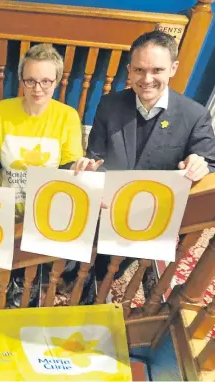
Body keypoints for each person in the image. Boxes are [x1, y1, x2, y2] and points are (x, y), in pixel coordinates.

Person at [73, 30, 215, 280]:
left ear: (173, 68)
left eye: (157, 70)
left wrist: (200, 164)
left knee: (114, 270)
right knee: (90, 259)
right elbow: (95, 153)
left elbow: (209, 162)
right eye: (139, 70)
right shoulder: (109, 104)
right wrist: (92, 170)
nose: (147, 79)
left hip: (152, 215)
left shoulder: (195, 115)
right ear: (129, 70)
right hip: (109, 206)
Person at [0, 43, 84, 222]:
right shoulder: (1, 110)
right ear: (21, 79)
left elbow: (67, 165)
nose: (37, 89)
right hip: (2, 208)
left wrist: (79, 170)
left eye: (46, 81)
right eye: (30, 80)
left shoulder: (68, 116)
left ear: (57, 80)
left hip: (46, 212)